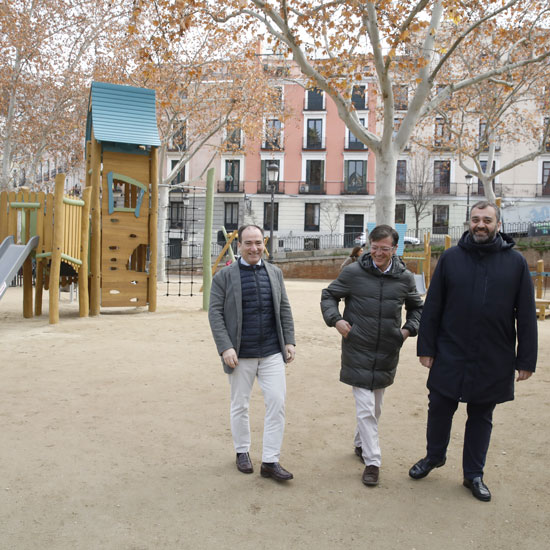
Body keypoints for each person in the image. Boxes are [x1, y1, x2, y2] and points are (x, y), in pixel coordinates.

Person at [409, 201, 537, 502]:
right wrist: (426, 347)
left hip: (494, 354)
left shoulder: (516, 263)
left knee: (481, 415)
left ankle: (473, 474)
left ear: (498, 225)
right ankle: (434, 456)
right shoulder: (451, 258)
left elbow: (526, 315)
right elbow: (434, 306)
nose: (481, 225)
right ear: (469, 222)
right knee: (439, 407)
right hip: (450, 350)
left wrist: (526, 359)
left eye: (487, 220)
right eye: (476, 219)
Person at [321, 225, 423, 486]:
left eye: (384, 248)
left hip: (388, 349)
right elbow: (329, 295)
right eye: (374, 248)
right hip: (358, 347)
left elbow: (417, 308)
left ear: (395, 249)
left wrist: (407, 330)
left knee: (375, 407)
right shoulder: (353, 272)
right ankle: (373, 462)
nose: (378, 253)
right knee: (366, 408)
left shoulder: (405, 278)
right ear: (368, 246)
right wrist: (337, 321)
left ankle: (359, 442)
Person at [208, 224, 296, 481]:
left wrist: (289, 340)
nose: (254, 248)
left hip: (271, 351)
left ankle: (270, 460)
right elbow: (215, 314)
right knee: (240, 404)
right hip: (240, 352)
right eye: (248, 243)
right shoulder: (224, 277)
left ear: (263, 244)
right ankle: (242, 451)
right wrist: (225, 347)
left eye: (258, 243)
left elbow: (284, 308)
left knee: (277, 403)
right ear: (239, 245)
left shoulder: (275, 273)